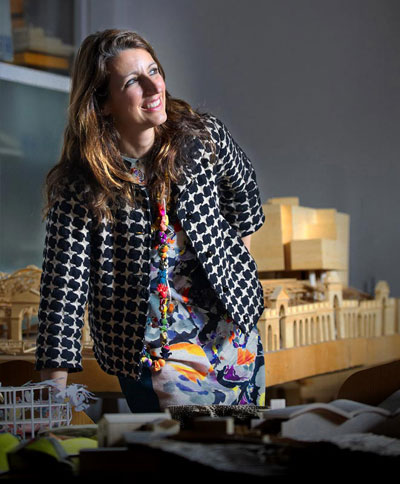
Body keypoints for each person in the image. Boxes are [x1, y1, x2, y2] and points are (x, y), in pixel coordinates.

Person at [35, 28, 266, 412]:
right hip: (150, 351)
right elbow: (64, 290)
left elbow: (245, 193)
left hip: (230, 338)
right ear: (103, 103)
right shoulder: (81, 186)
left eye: (153, 70)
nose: (153, 86)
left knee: (244, 442)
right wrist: (51, 399)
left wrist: (234, 267)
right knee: (174, 445)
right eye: (132, 81)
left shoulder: (203, 137)